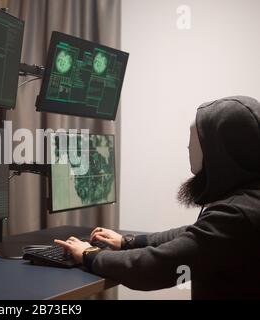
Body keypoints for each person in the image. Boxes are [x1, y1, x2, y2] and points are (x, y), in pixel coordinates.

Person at [55, 96, 260, 299]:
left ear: (219, 150)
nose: (188, 147)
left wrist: (88, 254)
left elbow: (156, 267)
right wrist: (128, 242)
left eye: (195, 139)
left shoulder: (238, 215)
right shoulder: (248, 201)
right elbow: (197, 235)